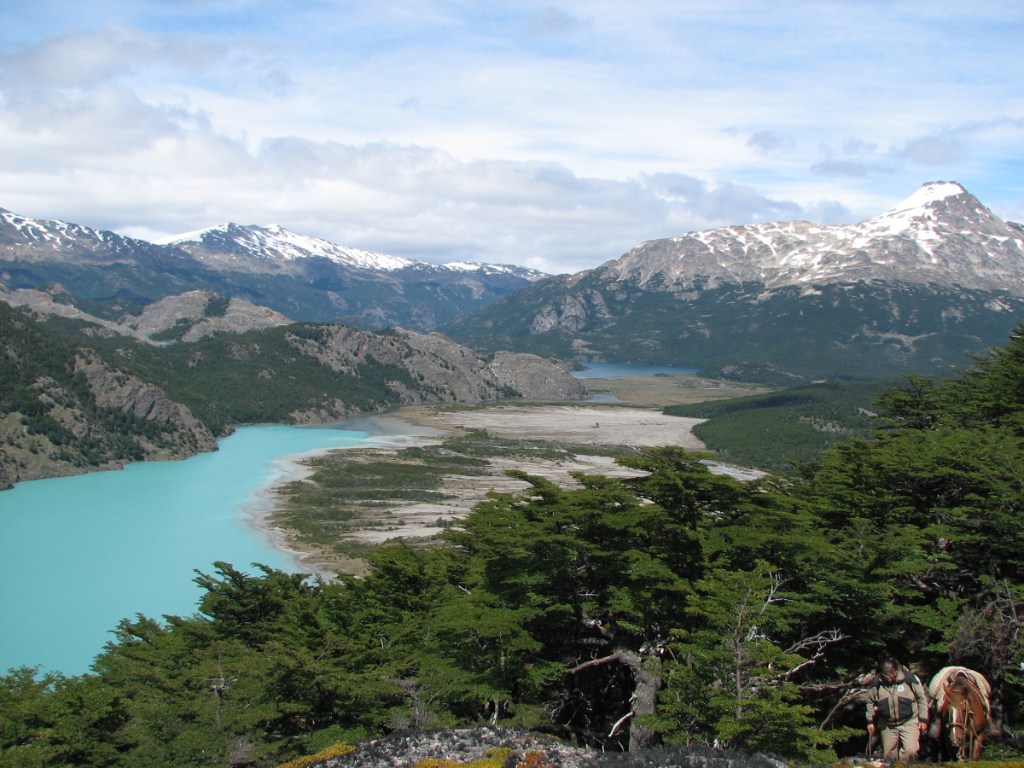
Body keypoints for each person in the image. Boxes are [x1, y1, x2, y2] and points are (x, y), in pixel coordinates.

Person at [865, 658, 930, 762]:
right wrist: (870, 721)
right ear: (882, 673)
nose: (890, 678)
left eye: (893, 675)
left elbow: (921, 698)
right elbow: (870, 702)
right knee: (889, 756)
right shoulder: (876, 682)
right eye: (887, 676)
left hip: (909, 721)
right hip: (887, 724)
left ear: (896, 670)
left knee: (910, 751)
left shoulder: (909, 678)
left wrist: (923, 719)